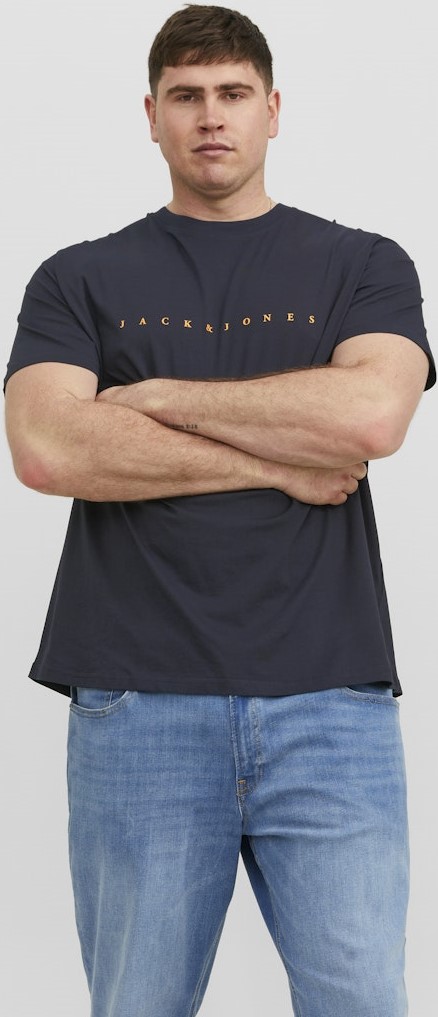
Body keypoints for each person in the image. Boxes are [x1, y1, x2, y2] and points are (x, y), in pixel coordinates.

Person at [4, 5, 435, 1016]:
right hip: (137, 701)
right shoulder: (77, 278)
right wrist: (282, 463)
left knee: (363, 1002)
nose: (211, 117)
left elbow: (371, 416)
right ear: (150, 114)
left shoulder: (365, 264)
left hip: (331, 701)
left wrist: (154, 399)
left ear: (272, 110)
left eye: (234, 94)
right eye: (187, 96)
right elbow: (49, 446)